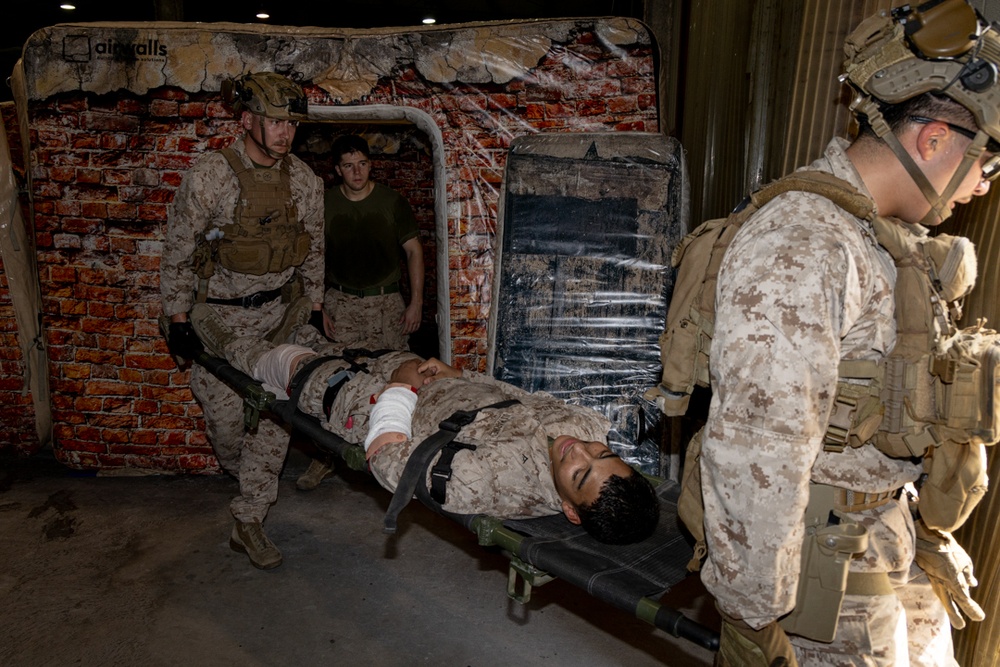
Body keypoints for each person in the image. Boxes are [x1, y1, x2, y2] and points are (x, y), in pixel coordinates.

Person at [697, 2, 998, 665]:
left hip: (881, 559)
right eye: (989, 161)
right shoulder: (805, 242)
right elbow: (757, 449)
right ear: (936, 139)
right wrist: (752, 622)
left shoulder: (882, 237)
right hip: (822, 597)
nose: (983, 184)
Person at [188, 302, 660, 545]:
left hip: (380, 407)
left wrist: (399, 388)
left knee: (292, 367)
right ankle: (298, 334)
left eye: (579, 473)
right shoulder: (588, 427)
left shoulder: (488, 482)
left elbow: (391, 463)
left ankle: (229, 344)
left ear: (570, 510)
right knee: (349, 350)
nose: (578, 449)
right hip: (432, 379)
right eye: (601, 455)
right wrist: (460, 374)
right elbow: (524, 398)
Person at [159, 71, 326, 570]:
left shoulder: (305, 181)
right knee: (227, 427)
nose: (284, 133)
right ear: (248, 119)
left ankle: (249, 516)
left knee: (275, 413)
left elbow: (314, 249)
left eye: (291, 124)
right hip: (221, 321)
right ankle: (247, 475)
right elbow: (178, 250)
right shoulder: (211, 175)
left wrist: (313, 307)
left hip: (279, 317)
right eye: (275, 122)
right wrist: (178, 316)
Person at [296, 134, 426, 491]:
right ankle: (325, 457)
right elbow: (311, 259)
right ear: (337, 170)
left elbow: (414, 252)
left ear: (371, 164)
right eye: (349, 166)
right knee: (336, 379)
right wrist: (317, 305)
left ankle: (400, 455)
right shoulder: (325, 205)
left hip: (387, 305)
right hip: (343, 304)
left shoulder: (391, 202)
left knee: (399, 378)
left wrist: (415, 302)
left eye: (363, 164)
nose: (357, 172)